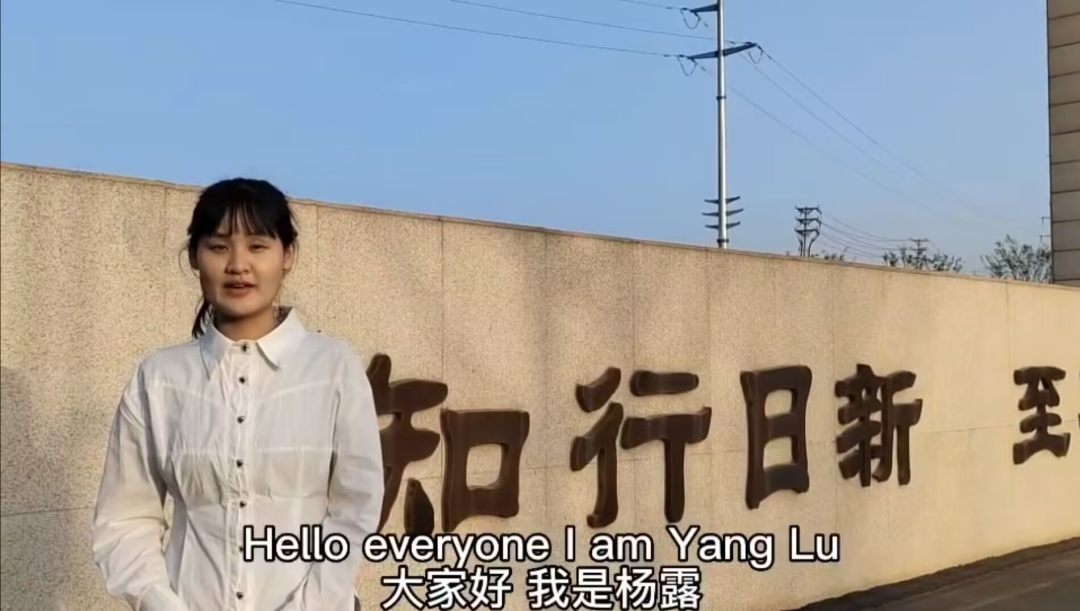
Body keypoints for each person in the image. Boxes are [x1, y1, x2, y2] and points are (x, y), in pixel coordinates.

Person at [90, 178, 384, 610]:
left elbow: (355, 510)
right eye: (219, 246)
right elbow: (125, 519)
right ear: (195, 256)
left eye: (258, 246)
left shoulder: (332, 369)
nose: (238, 265)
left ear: (288, 255)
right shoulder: (160, 379)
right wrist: (160, 602)